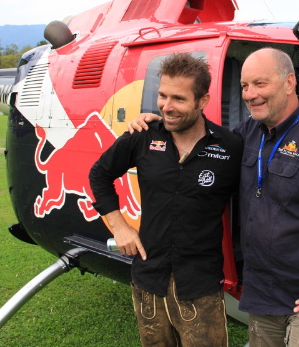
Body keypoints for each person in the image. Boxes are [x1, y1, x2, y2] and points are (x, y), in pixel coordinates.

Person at [129, 47, 299, 346]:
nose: (249, 94)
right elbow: (202, 142)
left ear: (290, 82)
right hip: (264, 293)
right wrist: (162, 124)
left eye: (260, 83)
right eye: (244, 86)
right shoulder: (246, 134)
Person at [89, 52, 242, 347]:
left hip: (200, 285)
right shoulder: (143, 135)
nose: (167, 107)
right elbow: (99, 174)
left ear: (202, 101)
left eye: (179, 99)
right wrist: (119, 226)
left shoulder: (230, 147)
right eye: (162, 96)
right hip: (149, 279)